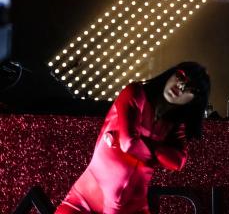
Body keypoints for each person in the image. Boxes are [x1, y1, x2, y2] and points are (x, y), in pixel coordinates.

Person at [57, 62, 211, 214]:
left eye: (190, 88)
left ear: (194, 101)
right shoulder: (136, 93)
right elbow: (128, 143)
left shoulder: (175, 126)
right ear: (171, 73)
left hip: (133, 208)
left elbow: (177, 162)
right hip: (83, 201)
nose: (181, 87)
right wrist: (158, 153)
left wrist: (146, 144)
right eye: (180, 77)